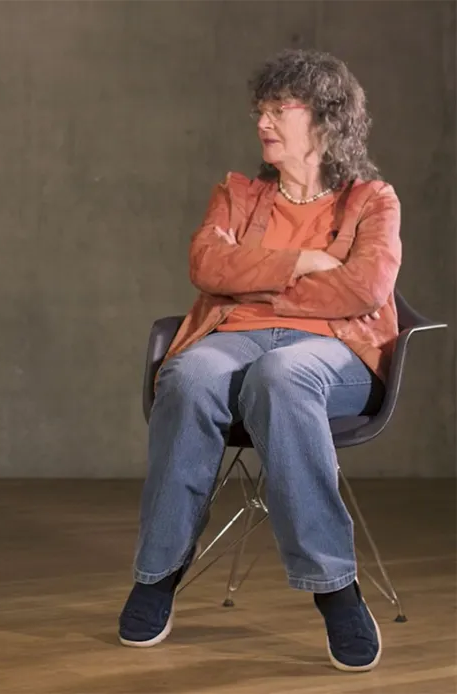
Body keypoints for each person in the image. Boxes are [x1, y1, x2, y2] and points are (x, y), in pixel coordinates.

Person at [117, 49, 401, 673]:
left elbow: (364, 289)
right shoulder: (239, 195)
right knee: (188, 375)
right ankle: (158, 571)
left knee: (282, 375)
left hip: (334, 352)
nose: (262, 122)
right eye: (260, 111)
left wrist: (254, 282)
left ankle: (334, 586)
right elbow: (206, 266)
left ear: (324, 118)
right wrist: (302, 262)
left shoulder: (372, 200)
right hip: (234, 339)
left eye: (279, 110)